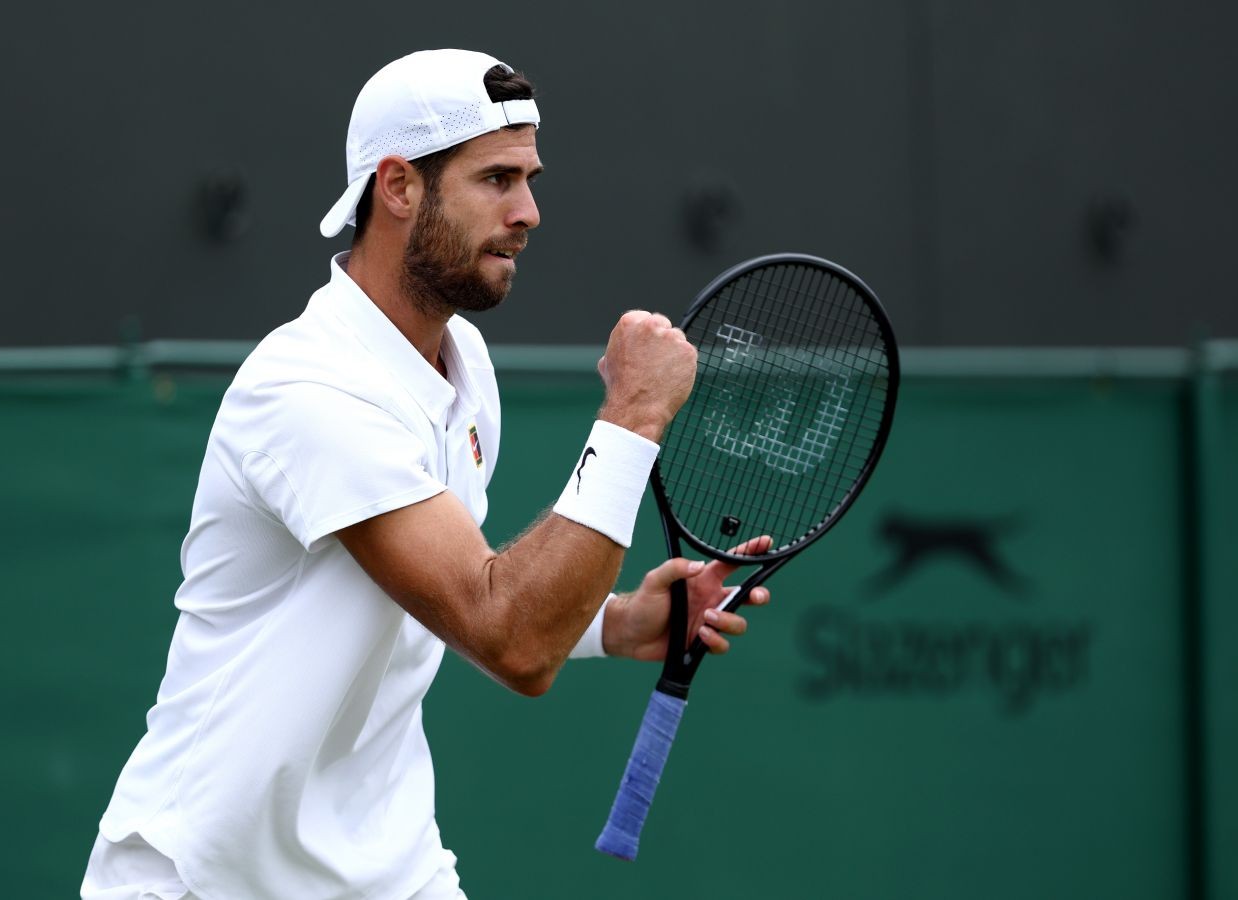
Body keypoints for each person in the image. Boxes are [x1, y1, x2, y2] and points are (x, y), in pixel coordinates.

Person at [82, 49, 770, 900]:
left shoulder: (463, 364)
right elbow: (510, 636)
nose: (529, 212)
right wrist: (633, 415)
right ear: (399, 186)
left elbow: (443, 593)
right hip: (206, 880)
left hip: (392, 871)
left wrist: (616, 623)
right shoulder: (309, 390)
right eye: (497, 179)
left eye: (529, 179)